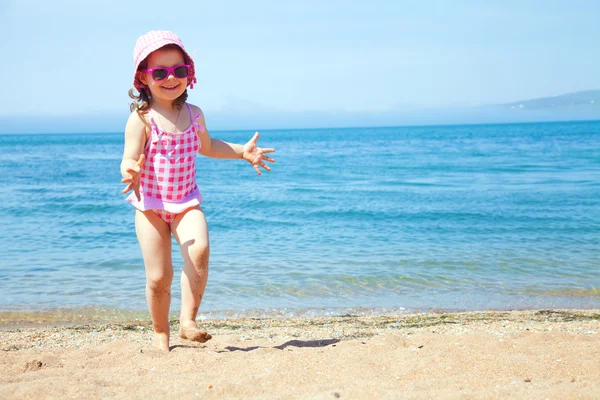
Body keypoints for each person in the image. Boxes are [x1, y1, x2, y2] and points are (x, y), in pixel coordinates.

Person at [120, 30, 275, 352]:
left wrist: (240, 152)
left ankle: (187, 322)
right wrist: (130, 169)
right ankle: (160, 332)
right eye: (159, 72)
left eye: (178, 70)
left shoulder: (195, 114)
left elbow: (208, 146)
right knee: (159, 277)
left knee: (200, 251)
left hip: (186, 201)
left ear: (189, 73)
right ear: (143, 78)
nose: (170, 78)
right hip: (149, 205)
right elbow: (129, 156)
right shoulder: (142, 119)